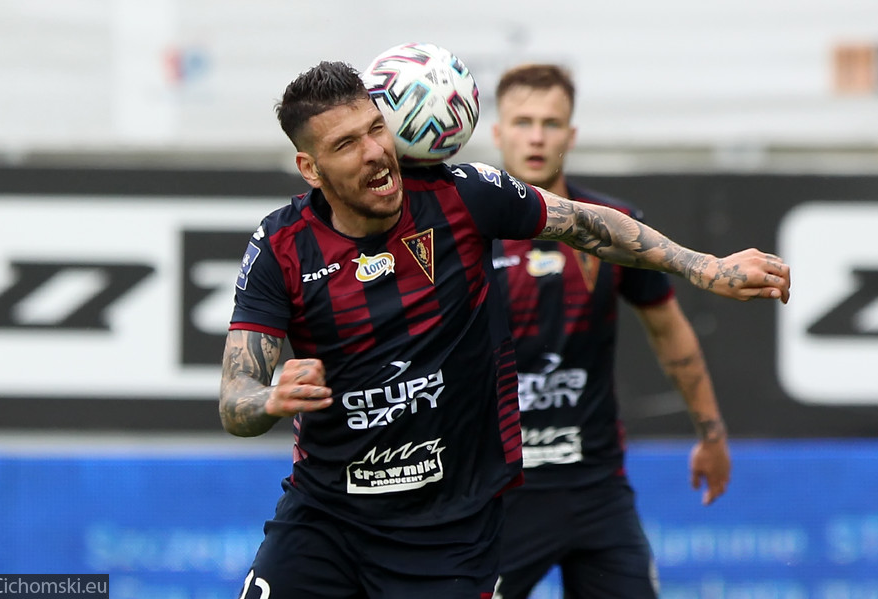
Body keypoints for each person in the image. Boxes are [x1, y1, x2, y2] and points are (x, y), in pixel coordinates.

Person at [219, 60, 790, 599]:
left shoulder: (462, 196)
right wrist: (269, 399)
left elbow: (586, 223)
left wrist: (703, 266)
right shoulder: (279, 245)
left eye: (376, 128)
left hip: (451, 532)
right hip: (325, 517)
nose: (374, 152)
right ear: (310, 169)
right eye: (346, 144)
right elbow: (235, 399)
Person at [490, 64, 733, 599]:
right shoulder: (465, 234)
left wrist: (711, 434)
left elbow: (669, 331)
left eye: (551, 123)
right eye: (523, 122)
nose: (536, 137)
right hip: (498, 492)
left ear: (571, 134)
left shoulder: (614, 225)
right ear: (498, 133)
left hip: (596, 489)